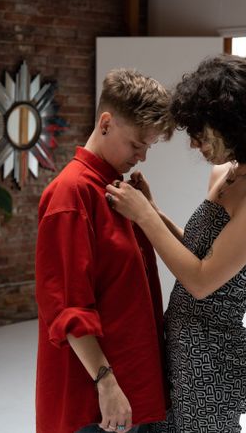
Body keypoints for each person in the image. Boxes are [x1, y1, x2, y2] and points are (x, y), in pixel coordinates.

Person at [105, 54, 246, 433]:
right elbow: (197, 252)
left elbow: (201, 279)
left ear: (237, 126)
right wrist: (154, 210)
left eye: (201, 131)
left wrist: (144, 216)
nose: (194, 144)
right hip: (180, 345)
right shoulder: (229, 172)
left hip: (211, 361)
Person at [35, 68, 174, 433]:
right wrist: (106, 384)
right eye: (135, 145)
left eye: (148, 147)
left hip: (130, 388)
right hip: (96, 402)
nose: (142, 157)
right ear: (106, 123)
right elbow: (67, 306)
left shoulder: (115, 189)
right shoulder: (71, 194)